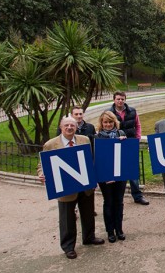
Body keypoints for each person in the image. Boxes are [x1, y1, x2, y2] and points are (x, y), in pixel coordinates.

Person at [37, 117, 104, 259]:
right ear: (61, 127)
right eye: (66, 125)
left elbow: (90, 159)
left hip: (85, 185)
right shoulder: (51, 144)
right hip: (66, 187)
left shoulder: (84, 140)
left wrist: (94, 178)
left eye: (72, 125)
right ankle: (68, 246)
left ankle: (89, 237)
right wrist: (41, 174)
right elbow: (42, 164)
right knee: (67, 218)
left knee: (87, 213)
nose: (69, 127)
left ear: (76, 127)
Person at [107, 91, 149, 205]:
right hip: (116, 145)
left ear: (125, 99)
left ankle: (137, 196)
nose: (120, 101)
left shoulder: (132, 111)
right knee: (117, 171)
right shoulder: (109, 113)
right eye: (118, 99)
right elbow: (106, 127)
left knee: (133, 171)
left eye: (122, 99)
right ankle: (117, 198)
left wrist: (138, 138)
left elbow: (138, 125)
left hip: (130, 144)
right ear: (114, 100)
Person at [94, 111, 128, 243]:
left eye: (110, 122)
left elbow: (126, 155)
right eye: (105, 122)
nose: (108, 125)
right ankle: (110, 231)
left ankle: (119, 229)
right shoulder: (97, 138)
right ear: (101, 123)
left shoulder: (121, 134)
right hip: (105, 176)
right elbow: (97, 159)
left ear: (115, 122)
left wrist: (123, 143)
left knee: (119, 202)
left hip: (120, 174)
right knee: (108, 202)